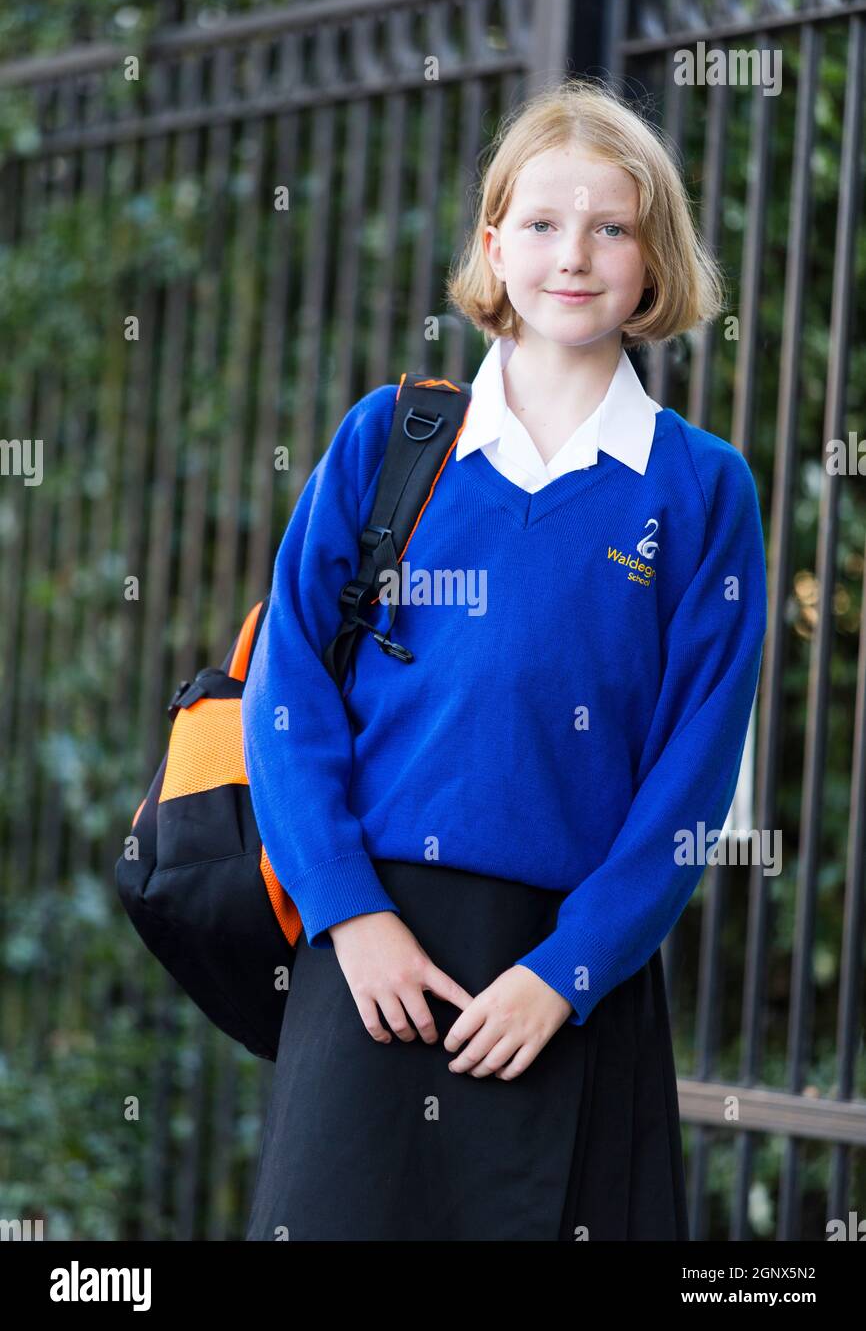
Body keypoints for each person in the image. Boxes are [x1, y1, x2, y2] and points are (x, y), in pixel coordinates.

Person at [240, 76, 768, 1241]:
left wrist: (568, 970)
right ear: (492, 242)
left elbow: (692, 773)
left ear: (651, 258)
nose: (570, 255)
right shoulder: (390, 439)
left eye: (608, 226)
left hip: (569, 981)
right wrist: (346, 913)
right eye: (538, 222)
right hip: (371, 962)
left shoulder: (699, 487)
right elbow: (287, 697)